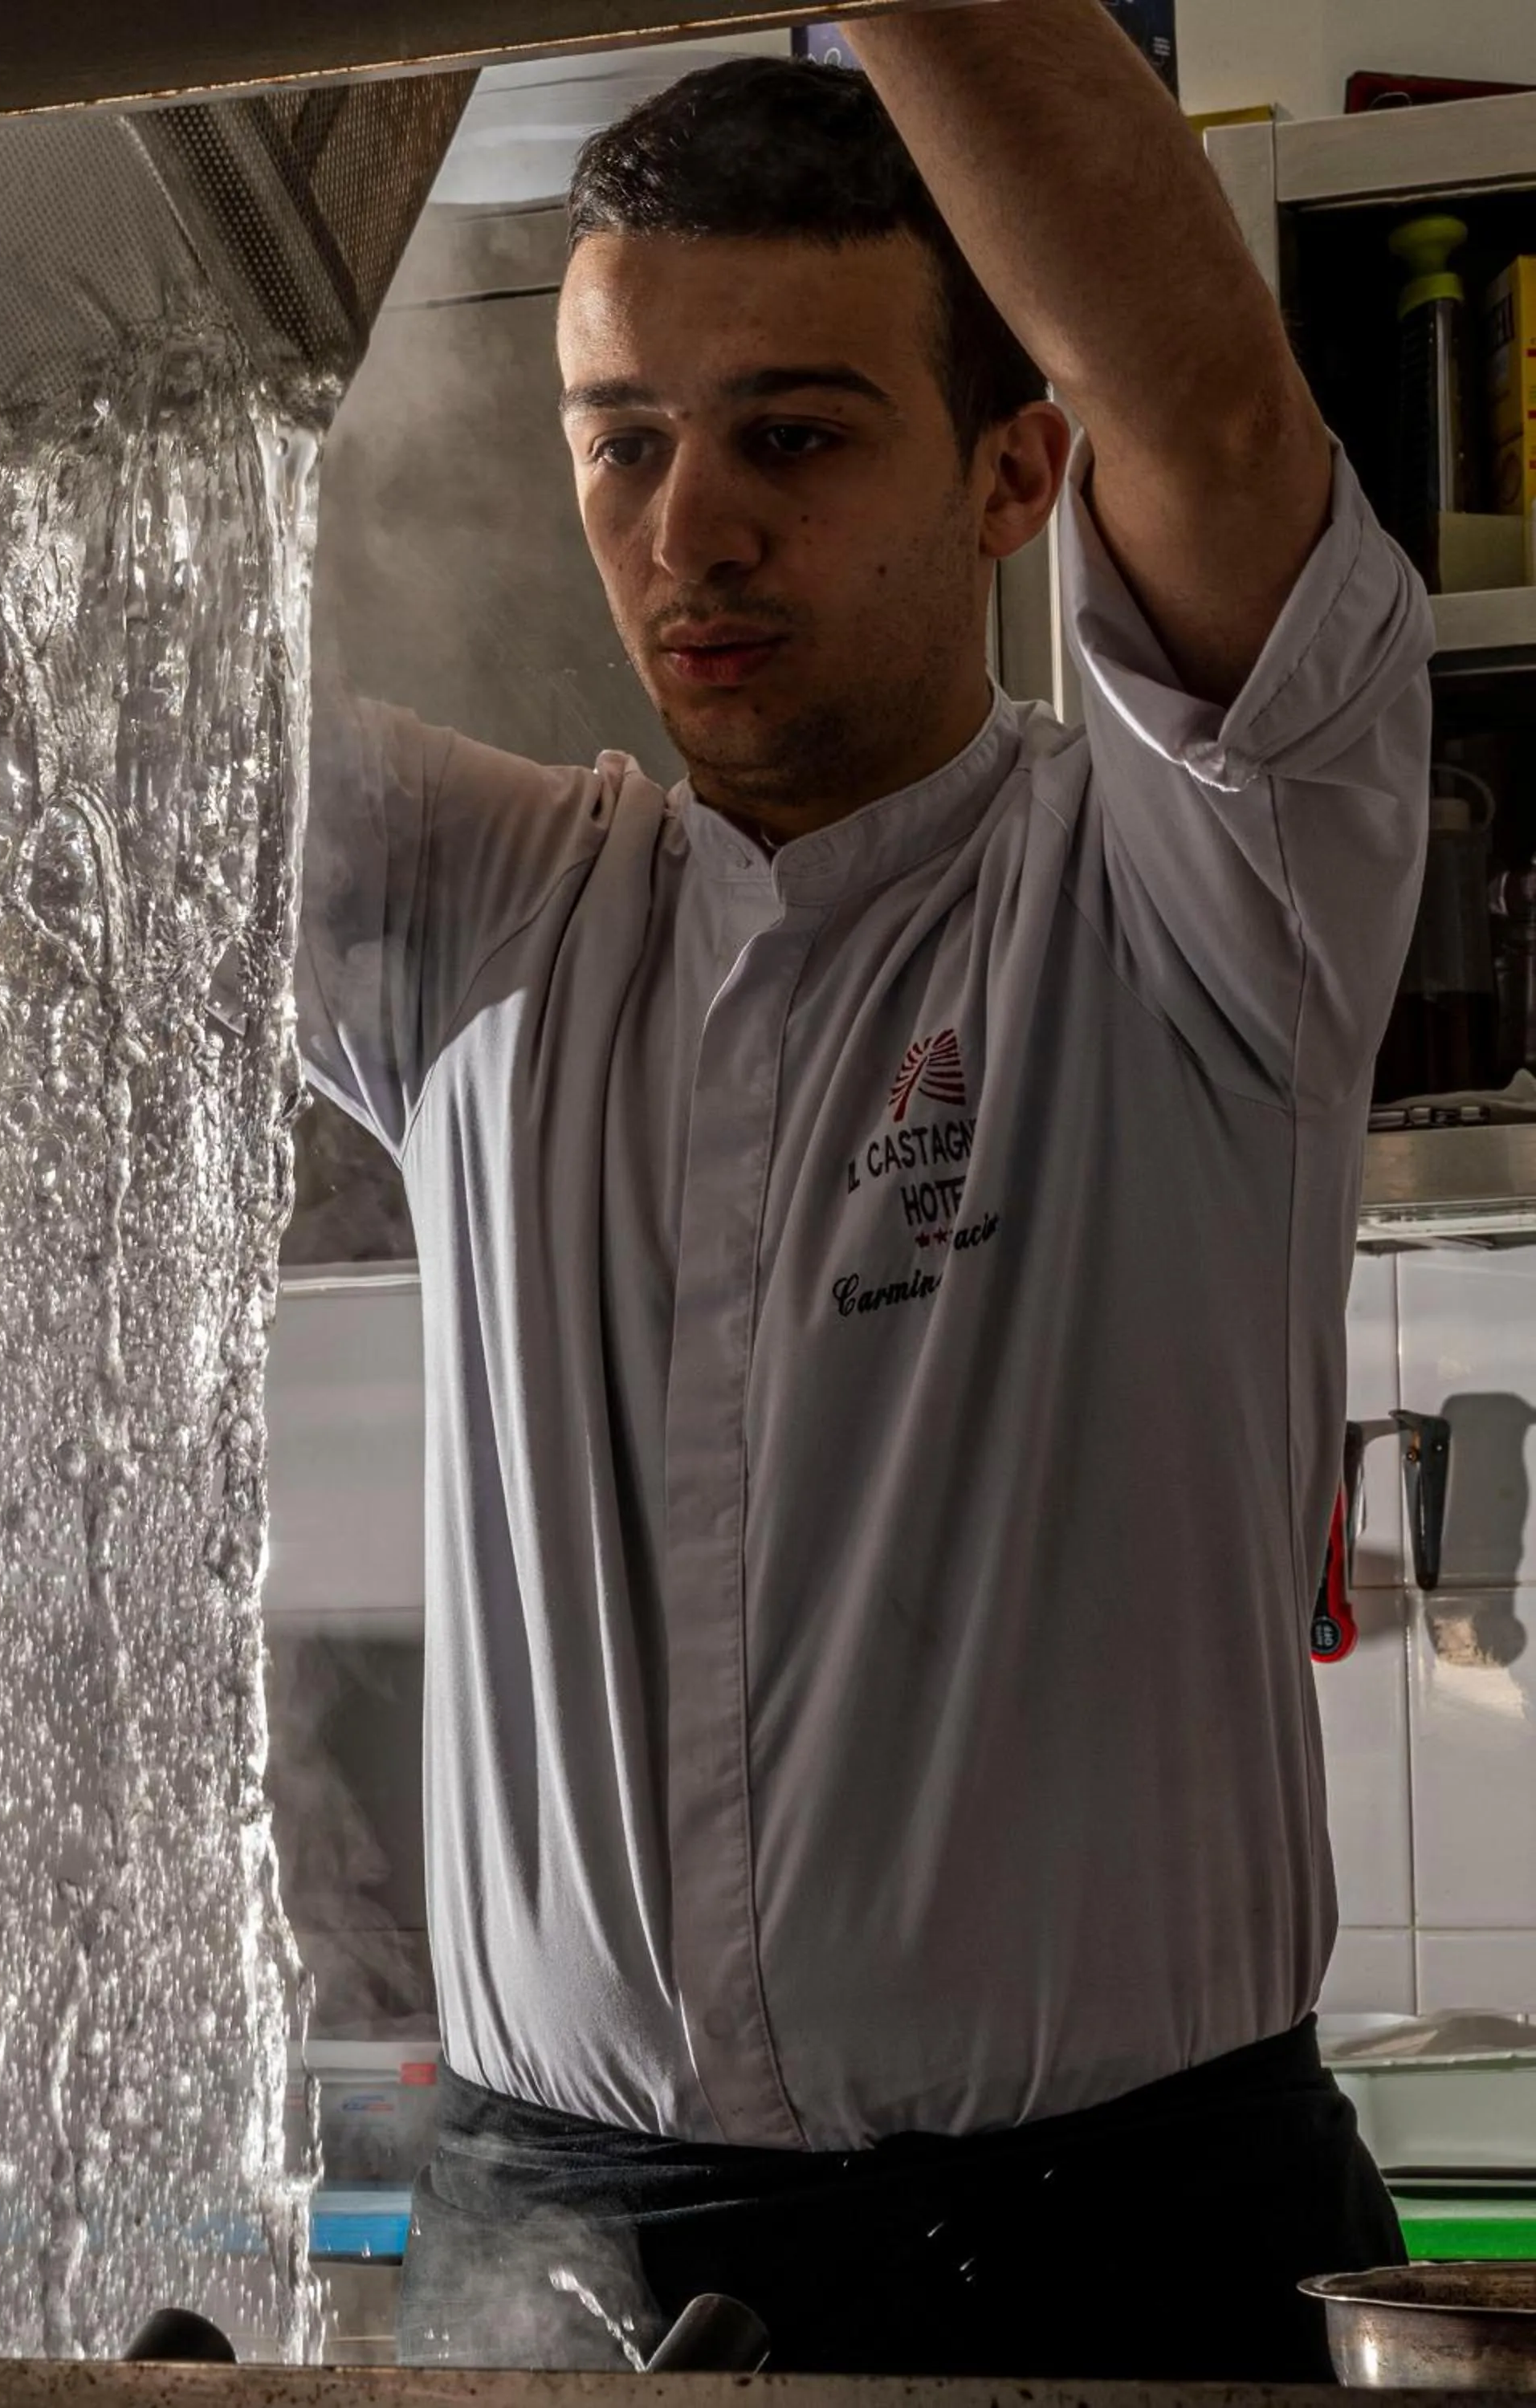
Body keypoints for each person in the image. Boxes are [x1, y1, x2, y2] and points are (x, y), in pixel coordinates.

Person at [296, 0, 1432, 2382]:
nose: (688, 528)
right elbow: (34, 683)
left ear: (1020, 472)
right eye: (624, 445)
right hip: (551, 2273)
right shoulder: (482, 915)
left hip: (1125, 2259)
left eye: (793, 439)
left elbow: (1217, 418)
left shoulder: (1201, 879)